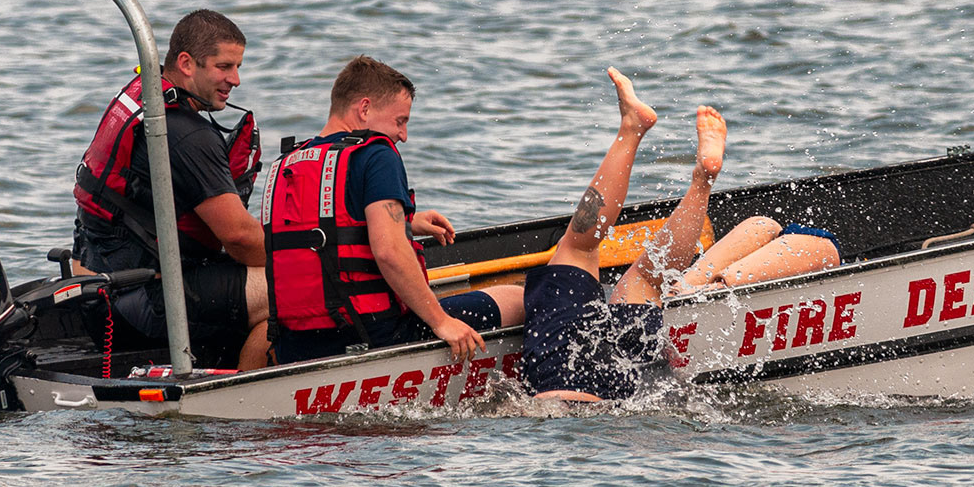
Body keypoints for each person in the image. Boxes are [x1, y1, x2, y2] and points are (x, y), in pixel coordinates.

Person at [521, 69, 842, 402]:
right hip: (590, 353)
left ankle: (693, 189)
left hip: (596, 393)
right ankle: (683, 169)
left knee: (637, 274)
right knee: (590, 251)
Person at [262, 56, 524, 364]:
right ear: (365, 108)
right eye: (400, 121)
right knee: (523, 296)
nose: (403, 135)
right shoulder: (376, 154)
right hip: (373, 336)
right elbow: (388, 251)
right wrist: (442, 322)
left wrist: (408, 223)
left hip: (298, 345)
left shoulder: (286, 163)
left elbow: (329, 231)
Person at [72, 9, 273, 371]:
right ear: (186, 63)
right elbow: (240, 238)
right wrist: (302, 256)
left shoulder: (141, 101)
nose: (236, 80)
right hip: (139, 303)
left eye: (237, 67)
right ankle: (245, 407)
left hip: (98, 291)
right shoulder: (186, 133)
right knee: (296, 289)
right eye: (224, 67)